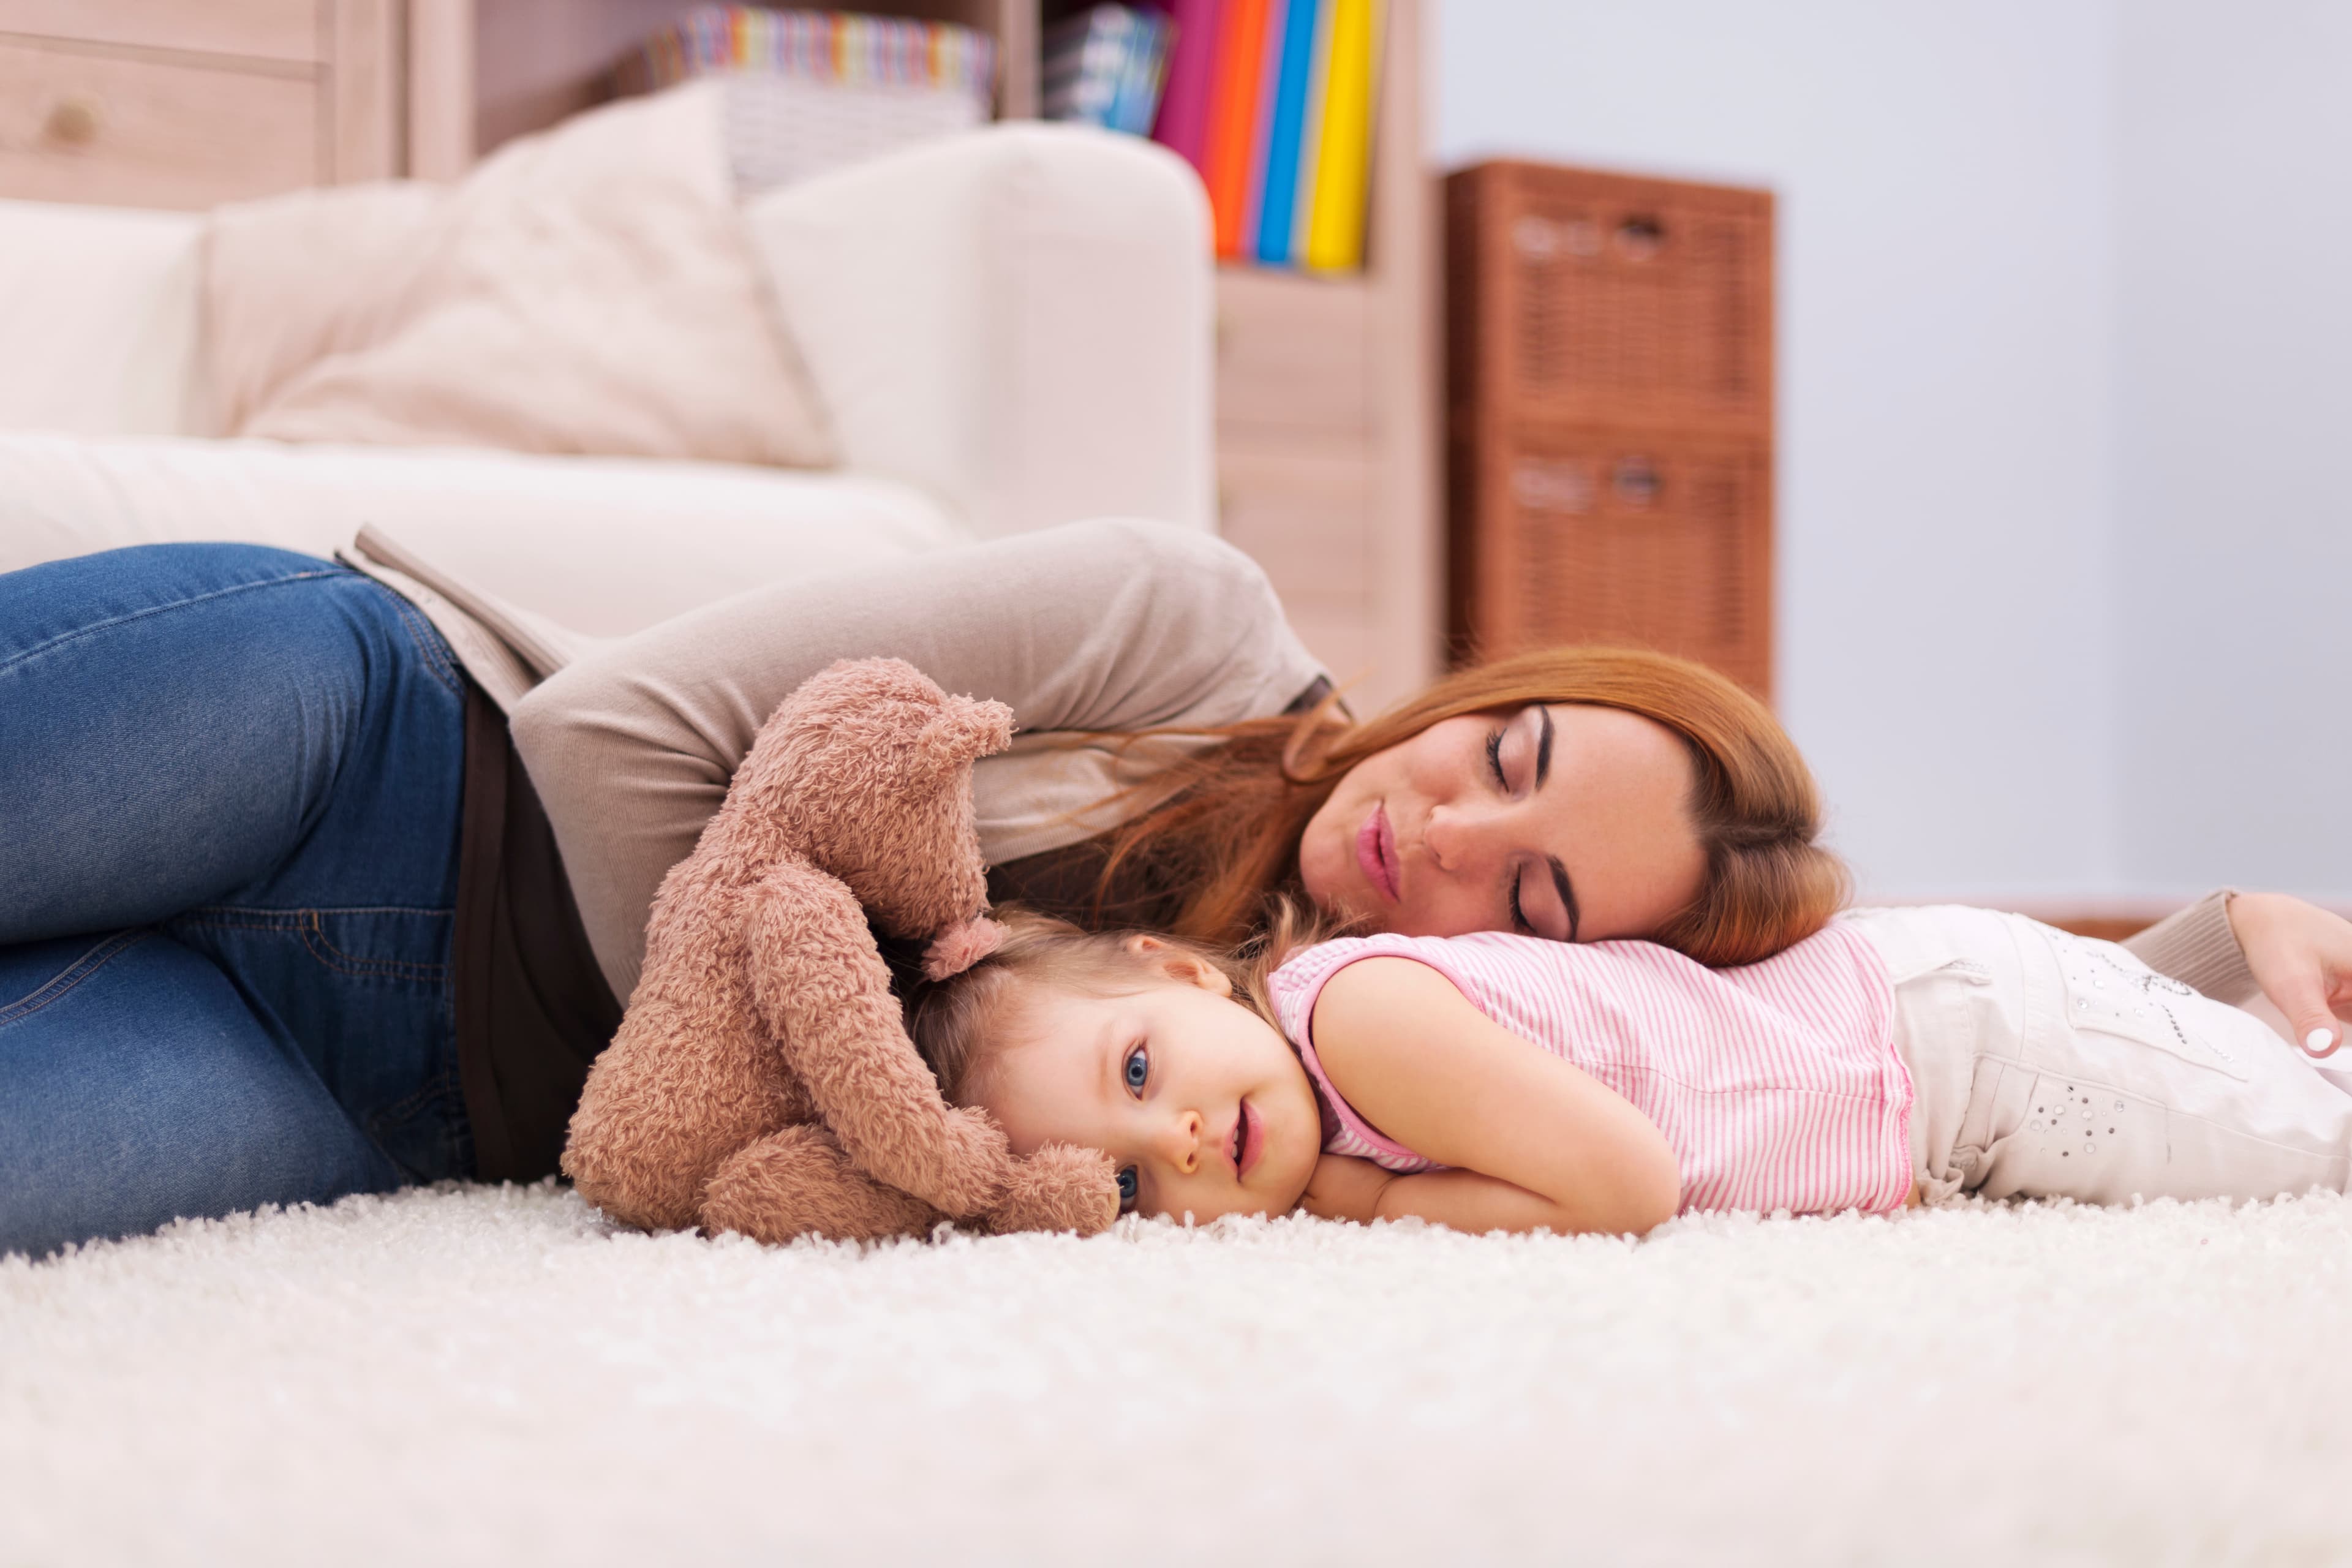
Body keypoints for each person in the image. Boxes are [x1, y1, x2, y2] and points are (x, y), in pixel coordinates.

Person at [3, 521, 2346, 1255]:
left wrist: (2195, 946)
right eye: (1499, 755)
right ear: (1480, 686)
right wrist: (860, 974)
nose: (1441, 833)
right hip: (387, 757)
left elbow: (1844, 1036)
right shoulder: (1179, 624)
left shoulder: (1266, 1085)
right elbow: (611, 746)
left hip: (399, 1092)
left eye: (1529, 905)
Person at [907, 896, 2352, 1234]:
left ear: (1178, 967)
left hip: (1965, 1042)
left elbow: (1627, 1182)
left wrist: (1358, 1203)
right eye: (1120, 1174)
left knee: (2311, 1144)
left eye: (1142, 1065)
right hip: (1940, 1070)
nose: (1179, 1140)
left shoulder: (1356, 1021)